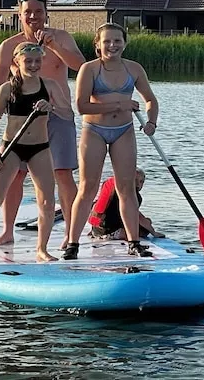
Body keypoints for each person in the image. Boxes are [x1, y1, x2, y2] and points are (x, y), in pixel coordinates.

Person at [0, 0, 85, 249]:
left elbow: (81, 66)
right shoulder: (9, 46)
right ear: (19, 14)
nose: (33, 16)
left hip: (58, 115)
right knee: (15, 176)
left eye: (38, 12)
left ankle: (70, 235)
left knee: (63, 174)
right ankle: (8, 230)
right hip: (21, 119)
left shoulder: (62, 37)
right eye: (27, 12)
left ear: (46, 14)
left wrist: (54, 46)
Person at [63, 23, 160, 259]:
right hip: (94, 130)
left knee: (126, 188)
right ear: (98, 44)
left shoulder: (134, 69)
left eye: (117, 41)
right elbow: (82, 106)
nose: (112, 45)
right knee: (87, 188)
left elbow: (150, 100)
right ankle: (73, 244)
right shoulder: (90, 69)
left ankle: (134, 242)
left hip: (123, 131)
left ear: (124, 43)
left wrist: (151, 123)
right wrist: (120, 104)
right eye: (107, 41)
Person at [0, 42, 64, 262]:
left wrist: (52, 107)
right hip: (11, 147)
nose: (33, 65)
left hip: (40, 148)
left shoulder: (49, 86)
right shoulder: (7, 89)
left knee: (47, 202)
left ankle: (42, 249)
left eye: (37, 61)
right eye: (28, 61)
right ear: (17, 62)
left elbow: (68, 112)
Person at [89, 169, 164, 240]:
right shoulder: (132, 195)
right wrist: (153, 232)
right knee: (144, 230)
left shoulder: (112, 186)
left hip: (96, 229)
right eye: (135, 180)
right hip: (109, 231)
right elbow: (137, 216)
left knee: (147, 222)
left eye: (141, 182)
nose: (138, 184)